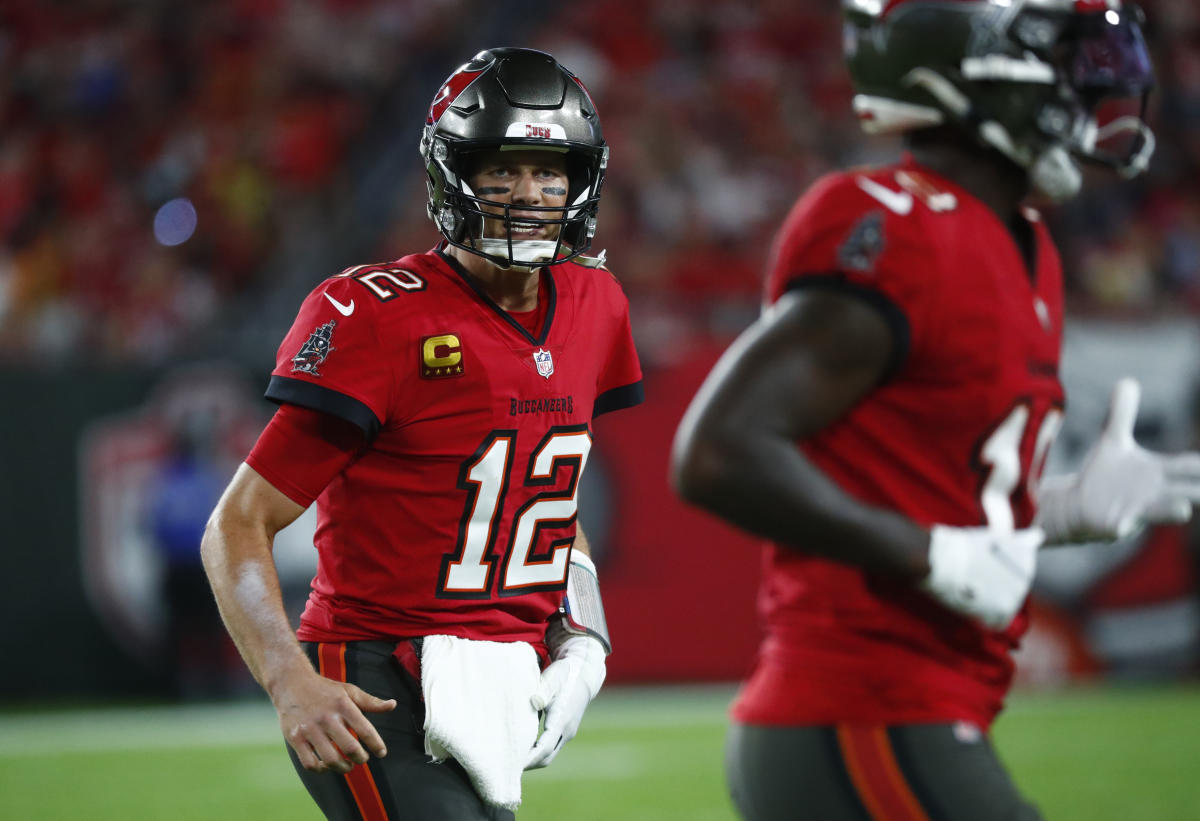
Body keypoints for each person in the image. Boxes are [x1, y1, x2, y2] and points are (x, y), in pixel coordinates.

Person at [671, 2, 1200, 819]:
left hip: (921, 708)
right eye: (1066, 52)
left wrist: (1053, 512)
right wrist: (928, 553)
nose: (1096, 78)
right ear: (979, 62)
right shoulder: (900, 221)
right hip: (861, 705)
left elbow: (933, 493)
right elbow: (719, 451)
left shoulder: (1026, 245)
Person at [201, 47, 642, 821]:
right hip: (374, 671)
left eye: (551, 171)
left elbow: (547, 499)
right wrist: (287, 677)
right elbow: (238, 522)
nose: (531, 193)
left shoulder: (597, 303)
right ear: (453, 174)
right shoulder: (376, 315)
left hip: (502, 673)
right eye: (502, 169)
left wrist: (585, 635)